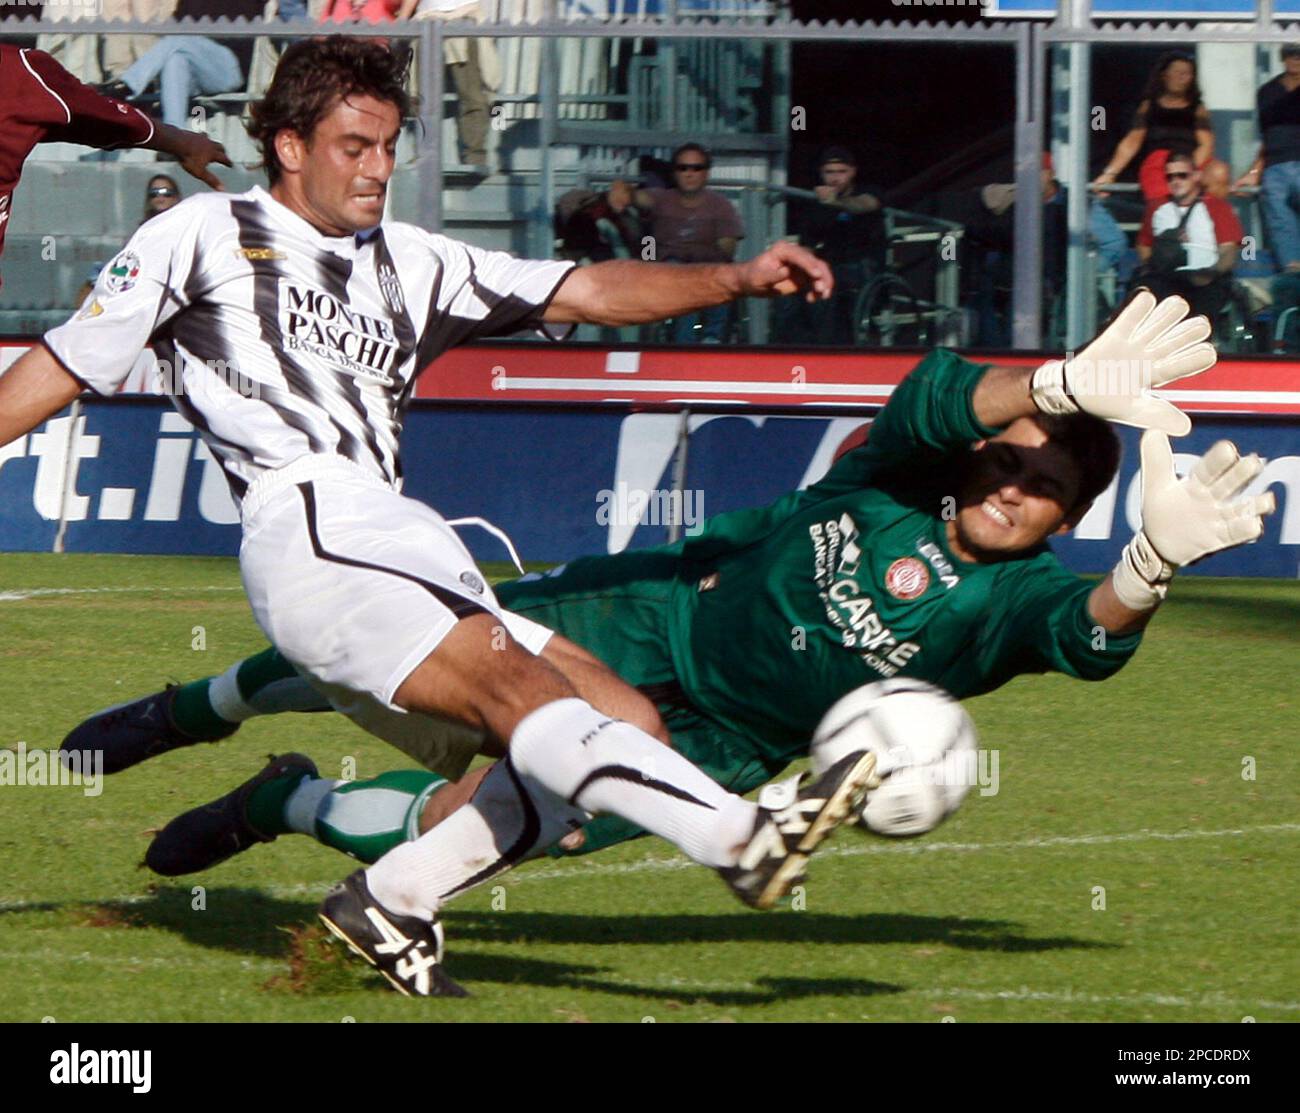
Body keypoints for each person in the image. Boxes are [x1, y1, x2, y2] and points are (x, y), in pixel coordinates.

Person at [0, 36, 876, 999]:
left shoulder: (412, 259)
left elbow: (579, 288)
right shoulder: (201, 233)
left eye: (390, 146)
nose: (379, 168)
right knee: (523, 699)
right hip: (314, 525)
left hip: (402, 534)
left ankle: (392, 897)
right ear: (288, 146)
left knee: (626, 721)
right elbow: (59, 368)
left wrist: (736, 279)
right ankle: (741, 839)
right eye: (354, 146)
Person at [67, 298, 1272, 935]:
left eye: (1047, 488)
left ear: (1067, 520)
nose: (1016, 488)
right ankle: (197, 704)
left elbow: (1089, 640)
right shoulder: (891, 481)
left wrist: (1154, 563)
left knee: (463, 828)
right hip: (643, 618)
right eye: (1008, 464)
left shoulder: (1018, 602)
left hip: (727, 748)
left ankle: (290, 802)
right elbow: (933, 398)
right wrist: (1053, 385)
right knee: (383, 654)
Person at [0, 42, 230, 281]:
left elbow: (104, 118)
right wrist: (183, 143)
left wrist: (183, 143)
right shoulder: (22, 72)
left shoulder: (21, 74)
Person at [609, 143, 745, 342]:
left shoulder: (721, 205)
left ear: (706, 173)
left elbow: (727, 250)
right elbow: (637, 197)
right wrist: (621, 189)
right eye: (683, 168)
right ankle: (683, 347)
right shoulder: (661, 198)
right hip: (669, 269)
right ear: (674, 173)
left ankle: (712, 340)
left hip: (706, 270)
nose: (689, 173)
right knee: (681, 281)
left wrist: (703, 262)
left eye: (696, 168)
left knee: (723, 275)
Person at [98, 0, 268, 130]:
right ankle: (175, 135)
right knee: (175, 60)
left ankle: (128, 85)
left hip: (229, 65)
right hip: (196, 67)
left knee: (177, 41)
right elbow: (177, 20)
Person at [1092, 51, 1230, 204]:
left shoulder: (1198, 108)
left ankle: (1215, 222)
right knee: (1160, 179)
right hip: (1158, 164)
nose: (1182, 77)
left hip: (1191, 162)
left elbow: (1206, 144)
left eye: (1187, 73)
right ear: (1164, 76)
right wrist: (1110, 173)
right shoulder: (1148, 106)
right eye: (1177, 72)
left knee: (1219, 172)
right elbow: (1132, 141)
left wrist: (1188, 168)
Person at [785, 145, 884, 345]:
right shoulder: (814, 205)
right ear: (821, 174)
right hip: (830, 266)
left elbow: (866, 204)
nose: (835, 178)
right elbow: (808, 244)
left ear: (853, 172)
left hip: (864, 263)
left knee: (853, 275)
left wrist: (835, 203)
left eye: (842, 171)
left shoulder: (867, 191)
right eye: (829, 172)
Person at [1133, 151, 1243, 321]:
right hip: (1167, 278)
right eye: (1170, 177)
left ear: (1196, 176)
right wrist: (1154, 265)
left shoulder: (1216, 207)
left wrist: (1212, 272)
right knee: (1149, 291)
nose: (1176, 181)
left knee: (1206, 297)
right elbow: (1143, 245)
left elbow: (1228, 250)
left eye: (1182, 175)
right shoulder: (1156, 208)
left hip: (1206, 278)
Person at [401, 0, 498, 173]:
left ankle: (474, 157)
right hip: (427, 21)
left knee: (472, 93)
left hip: (465, 14)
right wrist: (401, 20)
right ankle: (424, 154)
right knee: (421, 96)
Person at [1234, 44, 1300, 275]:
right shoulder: (1267, 92)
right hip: (1275, 168)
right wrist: (1254, 172)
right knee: (1280, 226)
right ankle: (1293, 278)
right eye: (1290, 52)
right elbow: (1267, 138)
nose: (1295, 58)